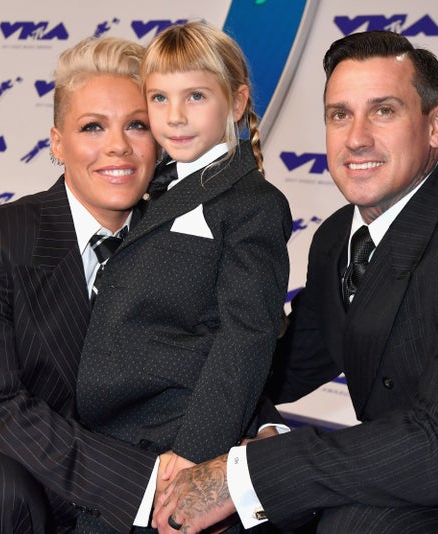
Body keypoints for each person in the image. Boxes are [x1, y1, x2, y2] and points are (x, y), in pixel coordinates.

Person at [153, 30, 438, 534]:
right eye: (339, 114)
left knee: (354, 525)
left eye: (384, 111)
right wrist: (150, 384)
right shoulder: (336, 239)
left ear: (435, 126)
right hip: (407, 484)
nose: (356, 137)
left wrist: (243, 472)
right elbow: (271, 365)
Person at [0, 36, 280, 533]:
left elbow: (225, 344)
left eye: (136, 125)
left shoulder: (188, 229)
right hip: (6, 457)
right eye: (93, 127)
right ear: (57, 142)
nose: (117, 146)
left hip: (139, 455)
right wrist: (145, 482)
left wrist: (264, 430)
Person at [75, 21, 292, 533]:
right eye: (158, 98)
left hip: (168, 438)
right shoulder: (145, 184)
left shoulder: (252, 204)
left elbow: (247, 335)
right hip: (104, 435)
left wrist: (197, 450)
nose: (173, 117)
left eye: (195, 95)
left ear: (236, 103)